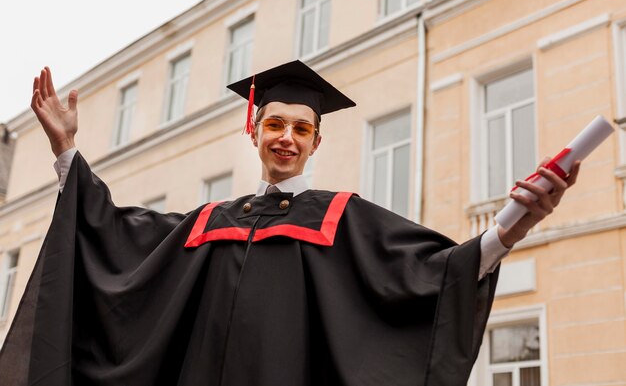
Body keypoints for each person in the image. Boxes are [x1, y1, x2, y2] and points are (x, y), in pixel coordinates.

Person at [0, 61, 579, 386]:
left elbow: (441, 271)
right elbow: (114, 235)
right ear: (253, 130)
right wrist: (67, 150)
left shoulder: (340, 219)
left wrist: (516, 222)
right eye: (276, 124)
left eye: (301, 129)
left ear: (316, 142)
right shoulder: (208, 223)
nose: (286, 138)